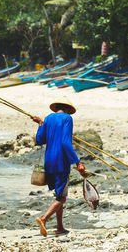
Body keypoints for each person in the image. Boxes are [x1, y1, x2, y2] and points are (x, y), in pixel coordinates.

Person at [31, 97, 86, 237]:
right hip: (61, 162)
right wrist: (78, 162)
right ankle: (43, 218)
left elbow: (39, 140)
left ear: (56, 108)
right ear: (67, 109)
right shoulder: (67, 119)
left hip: (48, 161)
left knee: (59, 195)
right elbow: (65, 143)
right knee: (61, 198)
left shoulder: (48, 118)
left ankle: (60, 227)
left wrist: (40, 125)